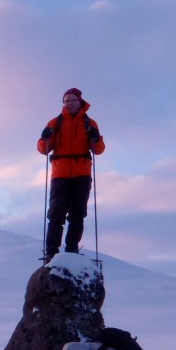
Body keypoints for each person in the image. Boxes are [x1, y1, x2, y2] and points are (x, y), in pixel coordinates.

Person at [37, 88, 105, 261]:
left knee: (77, 213)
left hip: (80, 174)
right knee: (56, 214)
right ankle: (52, 251)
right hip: (61, 174)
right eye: (66, 100)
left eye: (72, 100)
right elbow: (42, 149)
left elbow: (99, 150)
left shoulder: (90, 123)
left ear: (80, 101)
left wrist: (96, 138)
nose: (69, 103)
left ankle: (71, 249)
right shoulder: (55, 123)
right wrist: (44, 138)